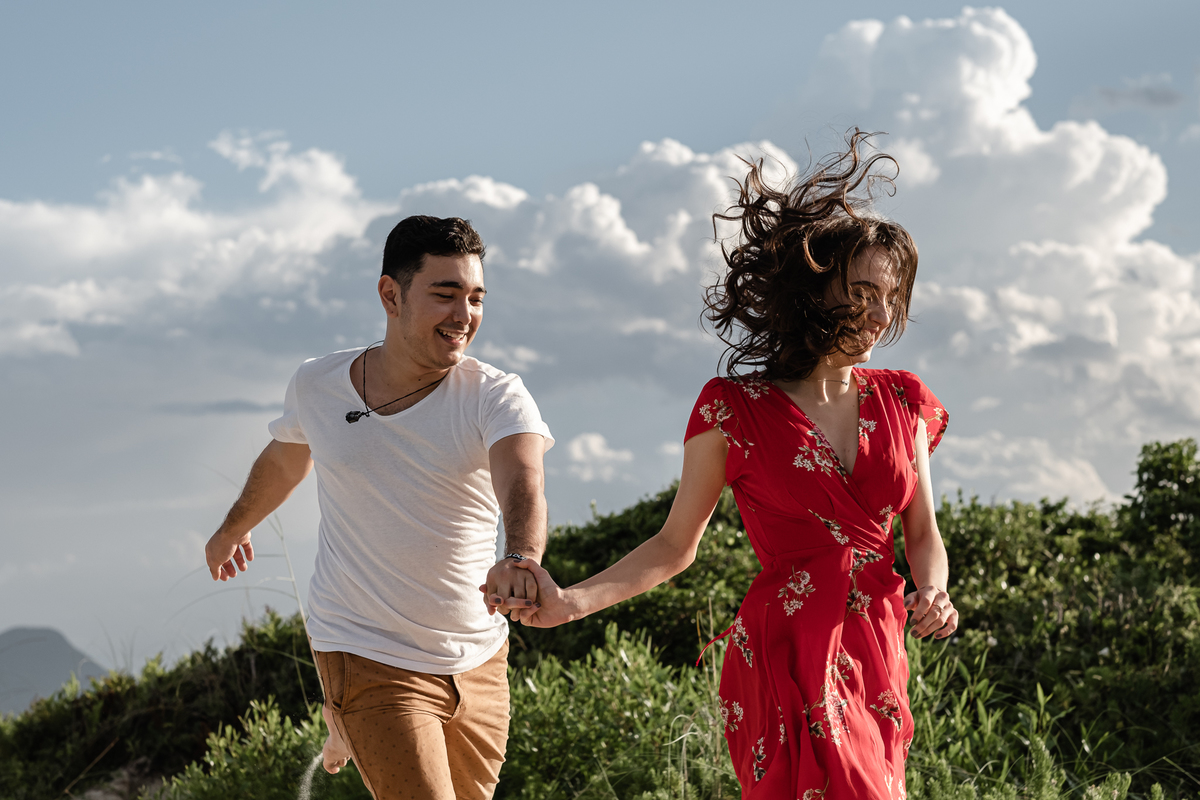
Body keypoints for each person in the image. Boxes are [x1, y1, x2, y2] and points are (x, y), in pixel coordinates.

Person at [500, 132, 957, 799]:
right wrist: (572, 603)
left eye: (892, 296)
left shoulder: (904, 400)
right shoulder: (732, 411)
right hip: (783, 649)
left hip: (877, 644)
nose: (880, 313)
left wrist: (935, 592)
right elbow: (673, 544)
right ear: (815, 288)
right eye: (862, 292)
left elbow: (922, 535)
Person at [204, 215, 554, 800]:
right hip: (366, 646)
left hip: (479, 657)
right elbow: (289, 455)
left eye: (475, 298)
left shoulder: (494, 395)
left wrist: (521, 556)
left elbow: (522, 477)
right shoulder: (319, 383)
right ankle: (347, 709)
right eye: (445, 294)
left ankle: (342, 726)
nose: (463, 315)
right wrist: (231, 528)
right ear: (391, 295)